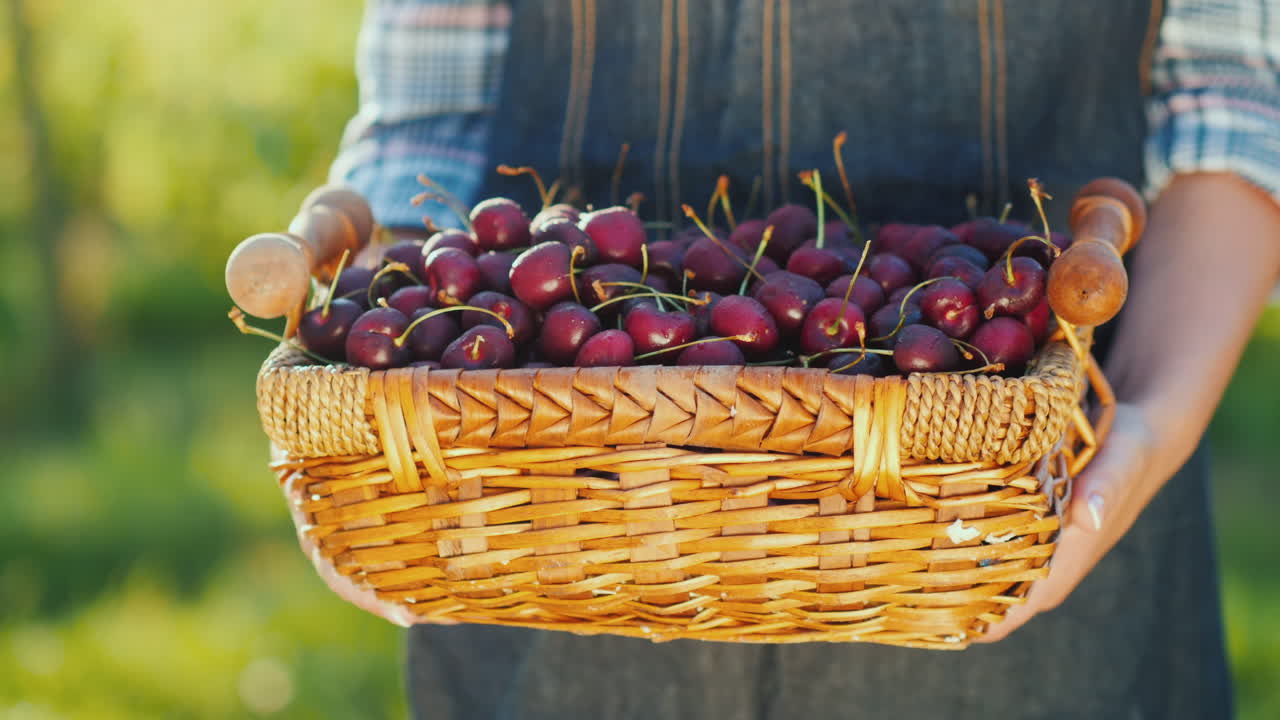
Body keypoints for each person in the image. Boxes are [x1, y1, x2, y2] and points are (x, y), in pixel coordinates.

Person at [293, 1, 1280, 717]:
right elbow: (438, 112)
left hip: (1021, 505)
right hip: (551, 527)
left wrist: (1143, 425)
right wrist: (372, 411)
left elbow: (1228, 98)